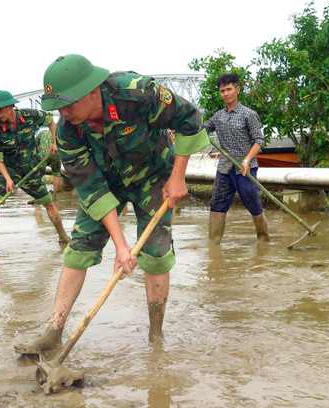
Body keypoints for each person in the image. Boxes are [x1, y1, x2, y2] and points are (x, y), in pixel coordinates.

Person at [14, 54, 209, 354]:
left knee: (156, 253)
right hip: (106, 182)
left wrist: (178, 177)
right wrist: (120, 246)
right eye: (58, 107)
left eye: (69, 104)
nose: (64, 112)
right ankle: (53, 332)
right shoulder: (67, 130)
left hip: (153, 176)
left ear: (92, 91)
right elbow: (91, 188)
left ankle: (155, 336)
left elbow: (189, 119)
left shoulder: (137, 92)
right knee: (78, 250)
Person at [0, 90, 70, 253]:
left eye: (0, 109)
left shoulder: (30, 115)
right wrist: (8, 179)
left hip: (31, 170)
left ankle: (63, 236)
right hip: (7, 171)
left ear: (11, 106)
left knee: (48, 203)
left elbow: (50, 120)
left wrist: (55, 142)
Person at [202, 73, 268, 243]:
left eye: (229, 89)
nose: (226, 93)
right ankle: (214, 245)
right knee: (217, 204)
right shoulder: (218, 116)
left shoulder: (249, 114)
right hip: (225, 168)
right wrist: (182, 128)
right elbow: (202, 129)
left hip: (245, 168)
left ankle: (263, 239)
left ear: (237, 90)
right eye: (222, 90)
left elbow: (259, 141)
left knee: (252, 202)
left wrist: (246, 160)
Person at [36, 128, 64, 200]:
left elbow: (34, 146)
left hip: (43, 154)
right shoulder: (59, 134)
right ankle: (54, 194)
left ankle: (39, 196)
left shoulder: (43, 133)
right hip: (55, 154)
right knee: (57, 173)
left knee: (38, 175)